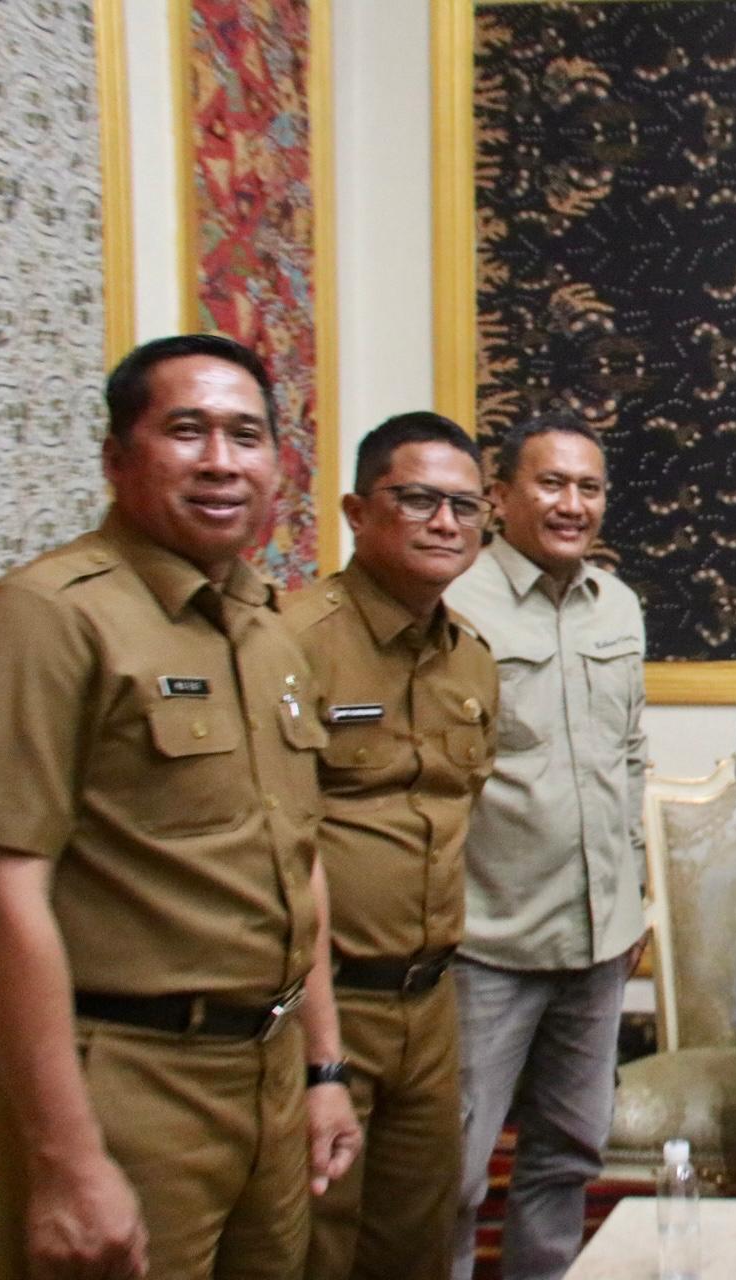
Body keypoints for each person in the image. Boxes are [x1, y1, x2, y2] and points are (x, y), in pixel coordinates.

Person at [0, 334, 359, 1279]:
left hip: (268, 1069)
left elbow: (298, 862)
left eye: (247, 435)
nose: (222, 461)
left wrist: (323, 1068)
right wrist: (67, 1160)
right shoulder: (48, 615)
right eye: (187, 431)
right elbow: (2, 888)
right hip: (129, 1079)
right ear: (117, 456)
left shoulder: (268, 628)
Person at [287, 413, 499, 1280]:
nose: (445, 523)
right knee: (316, 1244)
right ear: (356, 512)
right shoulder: (291, 644)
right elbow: (277, 855)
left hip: (431, 1003)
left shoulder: (471, 659)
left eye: (464, 506)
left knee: (416, 1245)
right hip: (323, 1003)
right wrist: (320, 1053)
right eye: (417, 500)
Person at [443, 412, 649, 1280]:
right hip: (488, 942)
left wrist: (633, 893)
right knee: (453, 1173)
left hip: (599, 941)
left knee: (568, 1154)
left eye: (589, 488)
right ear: (499, 496)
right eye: (552, 483)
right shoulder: (454, 602)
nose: (573, 504)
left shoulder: (619, 606)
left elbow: (629, 755)